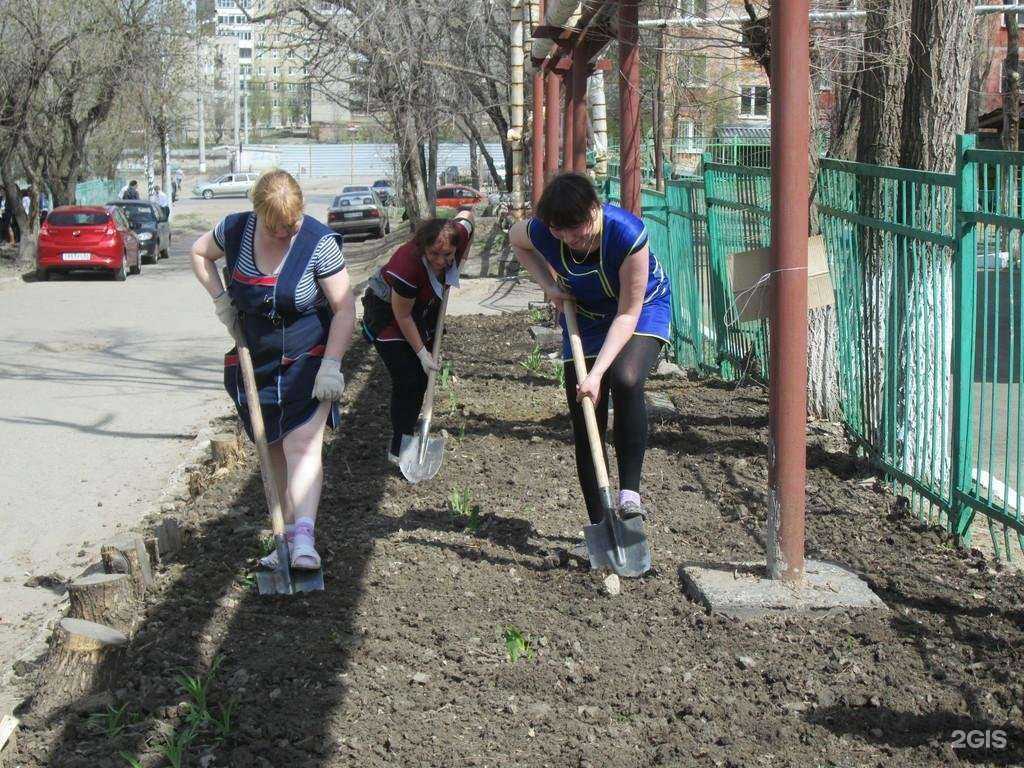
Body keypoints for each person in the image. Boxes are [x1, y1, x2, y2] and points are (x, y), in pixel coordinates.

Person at [190, 169, 356, 570]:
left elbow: (345, 308)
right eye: (275, 226)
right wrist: (221, 300)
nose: (284, 233)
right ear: (258, 214)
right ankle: (283, 537)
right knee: (274, 449)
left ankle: (304, 540)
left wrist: (332, 365)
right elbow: (199, 253)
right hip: (256, 361)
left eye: (291, 224)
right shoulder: (234, 231)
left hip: (308, 359)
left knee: (302, 445)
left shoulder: (318, 242)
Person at [508, 172, 671, 547]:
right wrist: (548, 286)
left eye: (577, 228)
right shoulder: (544, 231)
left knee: (626, 378)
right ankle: (601, 525)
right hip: (585, 317)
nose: (569, 238)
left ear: (594, 209)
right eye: (560, 231)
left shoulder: (626, 234)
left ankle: (629, 494)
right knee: (586, 416)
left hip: (640, 308)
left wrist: (597, 374)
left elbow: (628, 315)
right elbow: (517, 241)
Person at [361, 208, 475, 464]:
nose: (439, 260)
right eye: (433, 254)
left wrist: (461, 257)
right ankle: (399, 445)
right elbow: (402, 316)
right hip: (387, 313)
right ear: (422, 247)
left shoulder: (458, 235)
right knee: (409, 378)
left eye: (447, 254)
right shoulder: (407, 266)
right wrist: (422, 354)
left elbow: (468, 215)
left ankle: (407, 435)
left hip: (422, 310)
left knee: (421, 381)